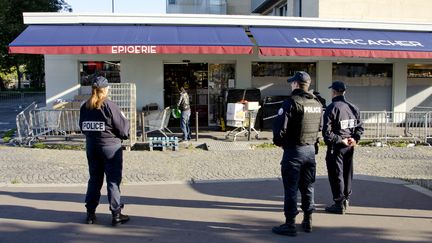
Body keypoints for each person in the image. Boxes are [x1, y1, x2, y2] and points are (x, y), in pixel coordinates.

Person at [272, 71, 323, 236]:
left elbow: (279, 131)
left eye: (291, 83)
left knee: (291, 188)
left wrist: (282, 144)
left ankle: (290, 224)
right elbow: (319, 128)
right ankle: (308, 220)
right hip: (310, 151)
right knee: (308, 186)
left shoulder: (290, 103)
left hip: (293, 151)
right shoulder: (317, 104)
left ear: (295, 84)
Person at [79, 76, 130, 226]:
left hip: (92, 147)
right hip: (110, 147)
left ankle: (90, 214)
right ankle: (116, 214)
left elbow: (83, 127)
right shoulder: (109, 105)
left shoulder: (85, 106)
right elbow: (123, 129)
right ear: (106, 89)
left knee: (94, 179)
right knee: (113, 181)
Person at [322, 81, 364, 214]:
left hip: (337, 147)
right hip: (350, 146)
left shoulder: (331, 107)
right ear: (344, 92)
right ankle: (346, 198)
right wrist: (355, 139)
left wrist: (341, 140)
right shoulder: (353, 107)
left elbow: (326, 133)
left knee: (336, 174)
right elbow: (360, 127)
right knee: (347, 173)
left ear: (333, 92)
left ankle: (338, 203)